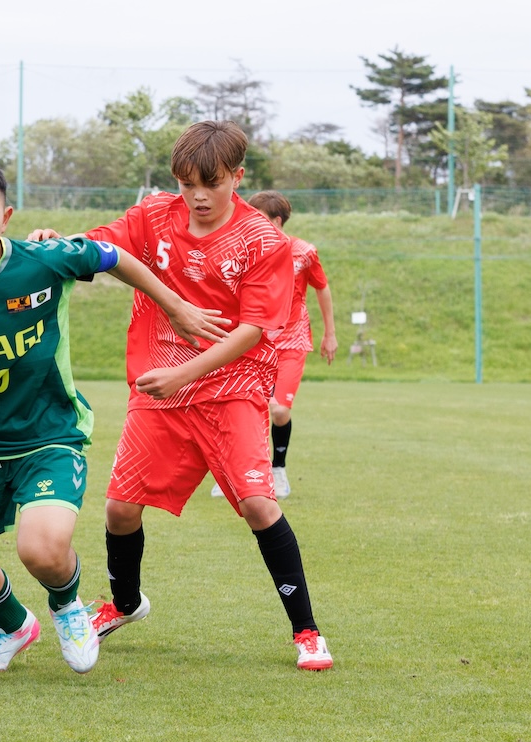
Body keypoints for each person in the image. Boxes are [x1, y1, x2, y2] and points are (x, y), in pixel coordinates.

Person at [0, 154, 225, 676]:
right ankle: (15, 627)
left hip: (49, 434)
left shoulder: (44, 260)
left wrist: (175, 306)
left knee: (42, 550)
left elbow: (113, 256)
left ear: (6, 217)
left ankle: (69, 608)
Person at [29, 120, 334, 671]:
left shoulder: (263, 241)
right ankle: (124, 604)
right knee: (120, 508)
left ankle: (307, 631)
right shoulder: (154, 216)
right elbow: (102, 245)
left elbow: (253, 330)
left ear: (237, 177)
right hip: (161, 384)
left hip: (232, 386)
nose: (198, 196)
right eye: (187, 183)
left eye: (211, 183)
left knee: (258, 504)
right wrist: (60, 241)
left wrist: (185, 374)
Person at [212, 191, 336, 501]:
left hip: (292, 340)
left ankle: (278, 470)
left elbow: (322, 288)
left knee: (279, 410)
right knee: (240, 407)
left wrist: (330, 333)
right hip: (253, 339)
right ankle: (234, 474)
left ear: (277, 221)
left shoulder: (304, 252)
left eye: (258, 218)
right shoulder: (245, 250)